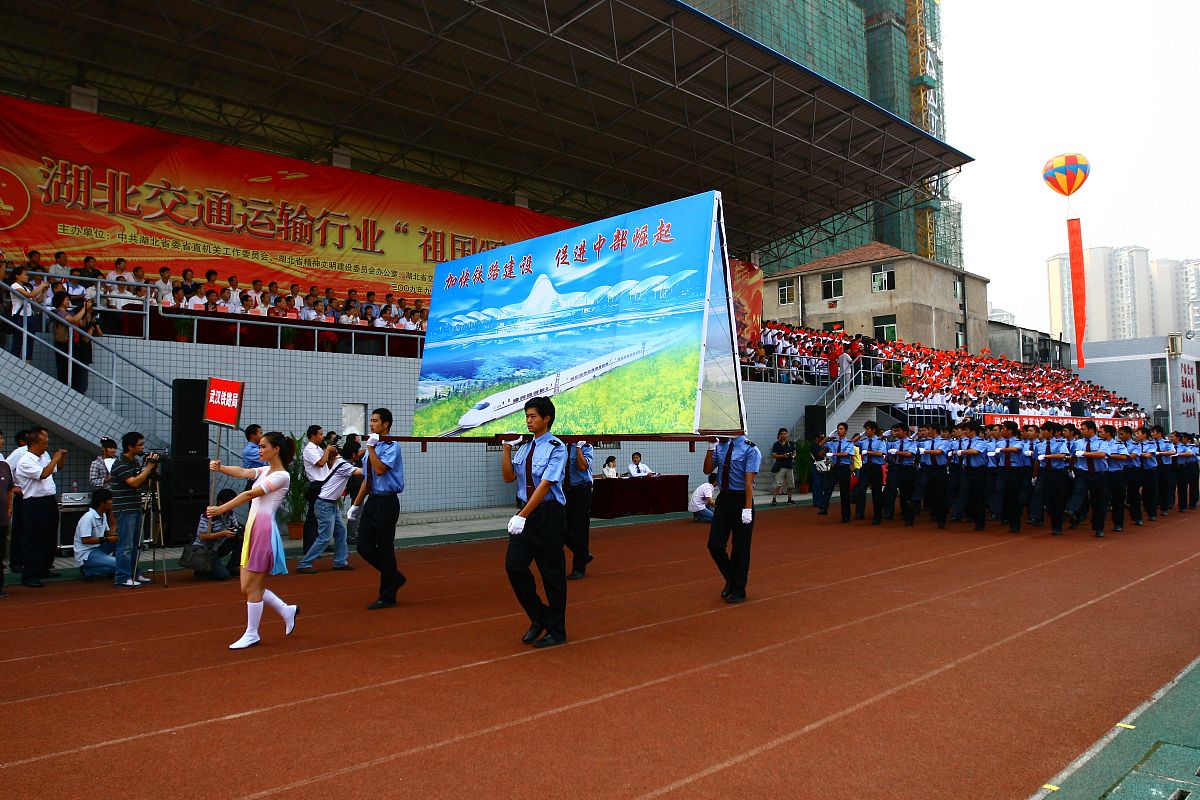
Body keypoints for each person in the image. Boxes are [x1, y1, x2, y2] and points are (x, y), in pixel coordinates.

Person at [207, 431, 299, 649]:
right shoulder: (266, 470)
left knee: (252, 586)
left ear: (276, 449)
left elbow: (250, 495)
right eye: (259, 446)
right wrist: (221, 468)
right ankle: (286, 609)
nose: (259, 450)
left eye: (263, 446)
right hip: (252, 527)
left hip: (263, 530)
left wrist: (221, 508)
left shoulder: (281, 476)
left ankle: (252, 633)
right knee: (246, 587)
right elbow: (243, 472)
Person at [501, 397, 569, 647]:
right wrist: (507, 449)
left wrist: (522, 516)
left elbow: (545, 485)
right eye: (527, 416)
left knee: (552, 574)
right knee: (514, 566)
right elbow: (509, 477)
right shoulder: (525, 448)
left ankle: (557, 630)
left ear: (546, 418)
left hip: (547, 514)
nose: (528, 421)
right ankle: (539, 616)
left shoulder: (556, 447)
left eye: (532, 416)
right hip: (525, 514)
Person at [348, 408, 407, 610]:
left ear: (386, 424)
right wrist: (356, 505)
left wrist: (371, 449)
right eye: (371, 420)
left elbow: (381, 470)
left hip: (387, 502)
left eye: (375, 421)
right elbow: (368, 478)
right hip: (373, 501)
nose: (371, 424)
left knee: (385, 548)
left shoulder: (392, 446)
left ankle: (387, 595)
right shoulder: (372, 447)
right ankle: (394, 577)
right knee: (363, 546)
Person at [703, 432, 761, 603]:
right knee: (714, 545)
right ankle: (731, 578)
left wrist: (748, 508)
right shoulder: (721, 446)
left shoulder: (751, 449)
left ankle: (738, 590)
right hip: (724, 499)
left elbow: (748, 482)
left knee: (740, 548)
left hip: (742, 499)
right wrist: (710, 446)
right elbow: (707, 469)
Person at [296, 440, 361, 574]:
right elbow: (362, 472)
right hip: (325, 504)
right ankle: (304, 563)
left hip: (329, 503)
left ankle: (340, 562)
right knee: (325, 537)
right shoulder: (344, 465)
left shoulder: (341, 462)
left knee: (341, 532)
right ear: (354, 454)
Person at [13, 428, 66, 587]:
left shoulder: (44, 456)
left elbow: (56, 469)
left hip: (49, 500)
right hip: (34, 502)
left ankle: (44, 568)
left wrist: (61, 458)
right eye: (44, 442)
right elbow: (43, 474)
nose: (47, 445)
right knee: (34, 539)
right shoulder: (25, 460)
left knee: (49, 537)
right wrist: (55, 459)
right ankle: (30, 575)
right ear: (34, 443)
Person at [109, 432, 158, 587]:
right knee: (126, 545)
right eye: (140, 444)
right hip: (125, 509)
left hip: (135, 507)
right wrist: (148, 467)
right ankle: (122, 577)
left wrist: (148, 470)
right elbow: (134, 483)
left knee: (136, 544)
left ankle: (134, 573)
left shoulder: (134, 463)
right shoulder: (120, 464)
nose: (142, 447)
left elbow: (142, 482)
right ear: (130, 446)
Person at [192, 488, 244, 581]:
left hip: (218, 546)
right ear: (220, 503)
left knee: (241, 537)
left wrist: (238, 531)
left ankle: (232, 566)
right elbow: (202, 536)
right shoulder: (208, 515)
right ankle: (203, 568)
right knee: (222, 575)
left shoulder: (230, 513)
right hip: (205, 549)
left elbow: (236, 526)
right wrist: (222, 534)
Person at [301, 425, 337, 553]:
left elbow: (327, 464)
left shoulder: (318, 448)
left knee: (324, 517)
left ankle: (322, 544)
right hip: (317, 485)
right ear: (313, 435)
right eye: (320, 434)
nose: (322, 437)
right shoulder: (309, 449)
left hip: (324, 483)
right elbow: (320, 463)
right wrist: (327, 451)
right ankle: (309, 547)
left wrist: (330, 453)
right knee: (313, 517)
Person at [563, 439, 594, 580]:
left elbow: (582, 466)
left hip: (581, 491)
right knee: (561, 528)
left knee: (580, 530)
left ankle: (579, 568)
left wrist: (579, 448)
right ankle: (583, 554)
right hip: (564, 491)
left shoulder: (587, 446)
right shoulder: (561, 445)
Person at [73, 488, 118, 578]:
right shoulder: (88, 517)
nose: (112, 502)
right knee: (120, 564)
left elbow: (110, 535)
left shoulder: (103, 515)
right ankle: (88, 570)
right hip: (87, 554)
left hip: (97, 548)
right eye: (110, 500)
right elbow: (85, 540)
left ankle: (108, 569)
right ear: (102, 503)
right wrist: (107, 539)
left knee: (119, 541)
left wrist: (113, 521)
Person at [854, 421, 887, 523]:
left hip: (876, 468)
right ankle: (860, 513)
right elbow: (852, 442)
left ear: (873, 430)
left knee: (876, 492)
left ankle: (877, 515)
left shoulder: (880, 441)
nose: (866, 431)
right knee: (861, 489)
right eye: (865, 429)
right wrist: (861, 434)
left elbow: (880, 453)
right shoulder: (863, 441)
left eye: (868, 429)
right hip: (865, 468)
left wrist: (868, 452)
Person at [825, 423, 856, 523]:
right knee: (828, 487)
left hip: (844, 468)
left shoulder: (849, 443)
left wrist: (833, 453)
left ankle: (846, 515)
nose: (839, 431)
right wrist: (829, 437)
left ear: (845, 431)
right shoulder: (833, 442)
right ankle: (824, 507)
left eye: (841, 429)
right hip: (835, 467)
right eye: (838, 429)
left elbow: (846, 454)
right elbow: (820, 445)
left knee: (844, 493)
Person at [769, 428, 796, 505]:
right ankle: (774, 499)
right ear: (779, 435)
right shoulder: (776, 444)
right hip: (780, 466)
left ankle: (789, 499)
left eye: (785, 434)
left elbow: (794, 453)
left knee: (790, 484)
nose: (783, 435)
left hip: (789, 466)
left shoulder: (791, 444)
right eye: (782, 434)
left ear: (787, 435)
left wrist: (792, 456)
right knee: (777, 484)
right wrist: (783, 456)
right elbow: (773, 455)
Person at [0, 441, 13, 596]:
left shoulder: (4, 466)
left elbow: (10, 489)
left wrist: (9, 508)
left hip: (2, 518)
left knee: (1, 554)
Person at [241, 424, 266, 491]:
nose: (262, 436)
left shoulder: (257, 448)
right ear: (252, 435)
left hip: (258, 481)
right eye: (260, 433)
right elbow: (268, 459)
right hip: (255, 482)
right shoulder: (250, 450)